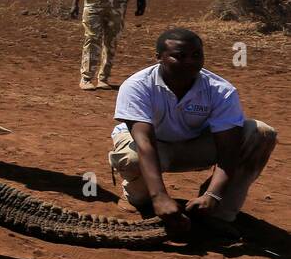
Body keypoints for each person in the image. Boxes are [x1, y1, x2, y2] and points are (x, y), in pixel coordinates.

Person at [108, 27, 277, 241]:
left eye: (196, 55)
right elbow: (144, 142)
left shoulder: (220, 90)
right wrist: (159, 196)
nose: (190, 62)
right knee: (133, 158)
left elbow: (229, 149)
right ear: (158, 57)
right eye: (179, 56)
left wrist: (212, 195)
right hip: (154, 147)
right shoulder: (137, 86)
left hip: (195, 145)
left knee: (260, 133)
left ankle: (217, 212)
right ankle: (139, 198)